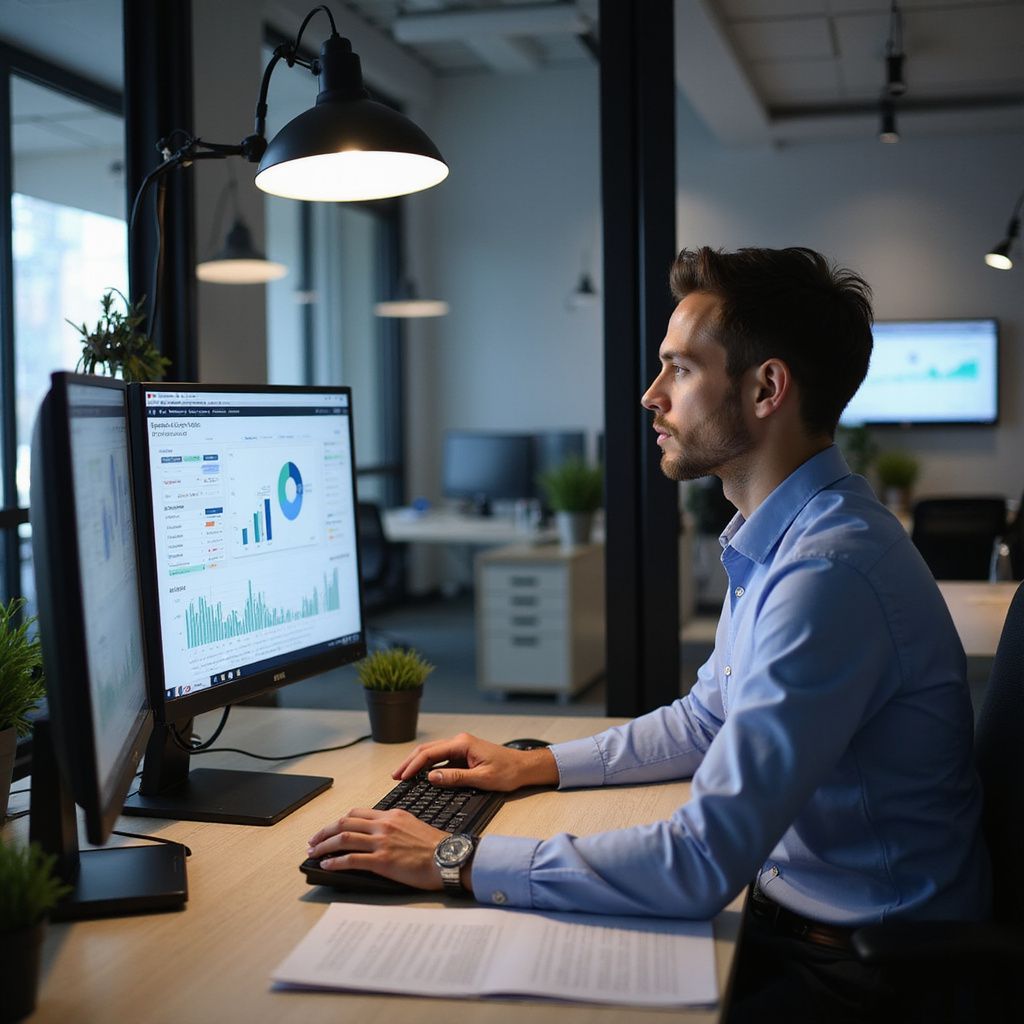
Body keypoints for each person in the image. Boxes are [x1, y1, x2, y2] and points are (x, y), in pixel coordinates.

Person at [308, 246, 990, 1020]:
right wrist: (534, 766)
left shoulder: (828, 573)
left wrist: (452, 856)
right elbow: (707, 718)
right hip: (796, 924)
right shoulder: (783, 537)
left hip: (865, 974)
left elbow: (702, 860)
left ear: (767, 388)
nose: (650, 396)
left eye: (681, 370)